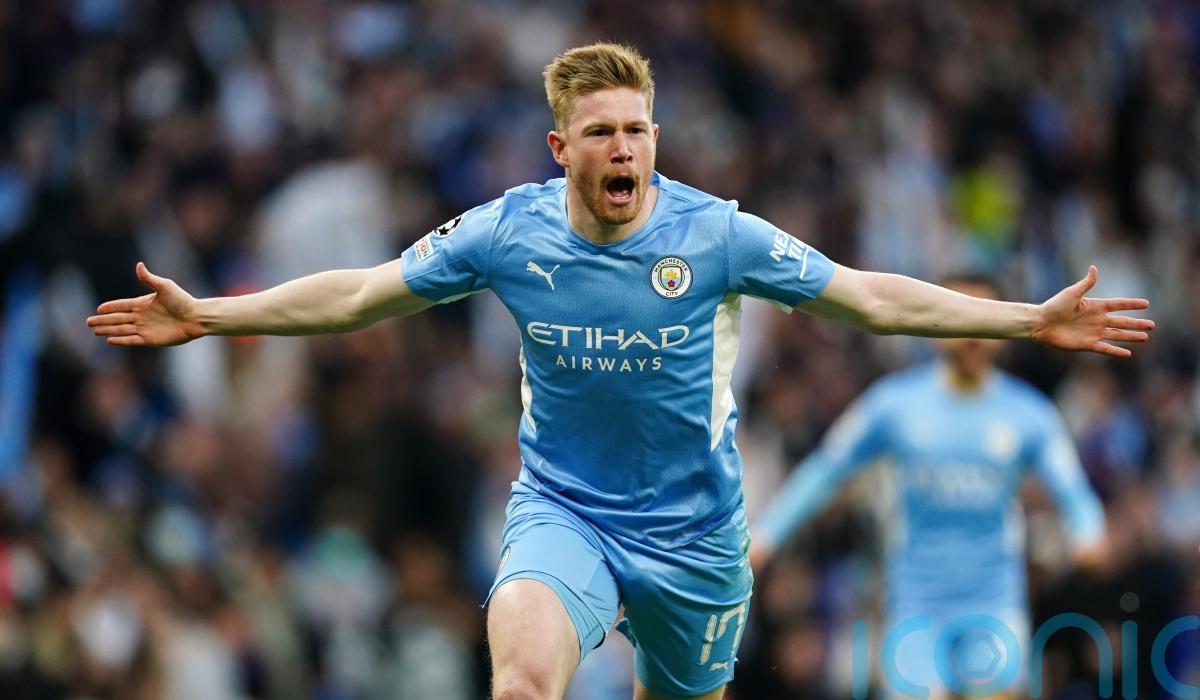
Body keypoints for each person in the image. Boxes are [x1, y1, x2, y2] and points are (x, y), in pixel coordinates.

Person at [86, 43, 1153, 700]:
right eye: (601, 132)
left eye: (638, 129)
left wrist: (1027, 320)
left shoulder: (717, 234)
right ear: (562, 148)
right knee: (521, 680)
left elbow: (870, 297)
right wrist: (209, 316)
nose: (625, 149)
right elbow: (363, 293)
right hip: (566, 510)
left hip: (695, 534)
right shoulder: (508, 232)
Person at [749, 275, 1109, 700]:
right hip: (916, 605)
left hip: (993, 602)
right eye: (962, 316)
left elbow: (1074, 492)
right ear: (937, 324)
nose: (973, 334)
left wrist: (1089, 533)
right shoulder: (894, 404)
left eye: (986, 318)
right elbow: (826, 469)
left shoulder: (1029, 414)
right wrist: (767, 534)